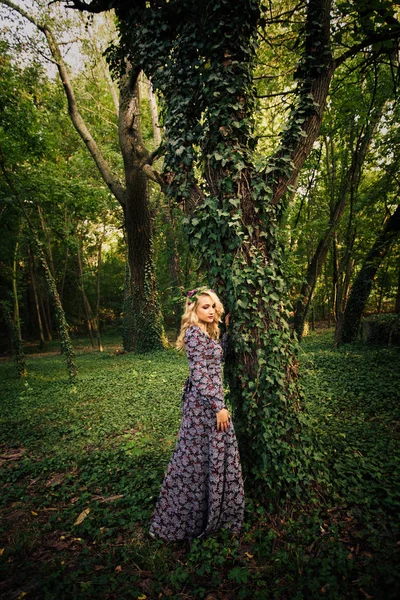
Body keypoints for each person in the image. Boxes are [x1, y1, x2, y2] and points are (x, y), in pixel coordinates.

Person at [149, 287, 245, 541]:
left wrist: (226, 330)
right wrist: (219, 406)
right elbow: (201, 375)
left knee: (207, 456)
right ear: (193, 310)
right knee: (194, 459)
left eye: (213, 306)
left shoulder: (207, 332)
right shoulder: (193, 335)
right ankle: (185, 521)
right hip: (204, 406)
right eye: (205, 307)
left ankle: (215, 514)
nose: (211, 310)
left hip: (211, 402)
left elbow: (215, 359)